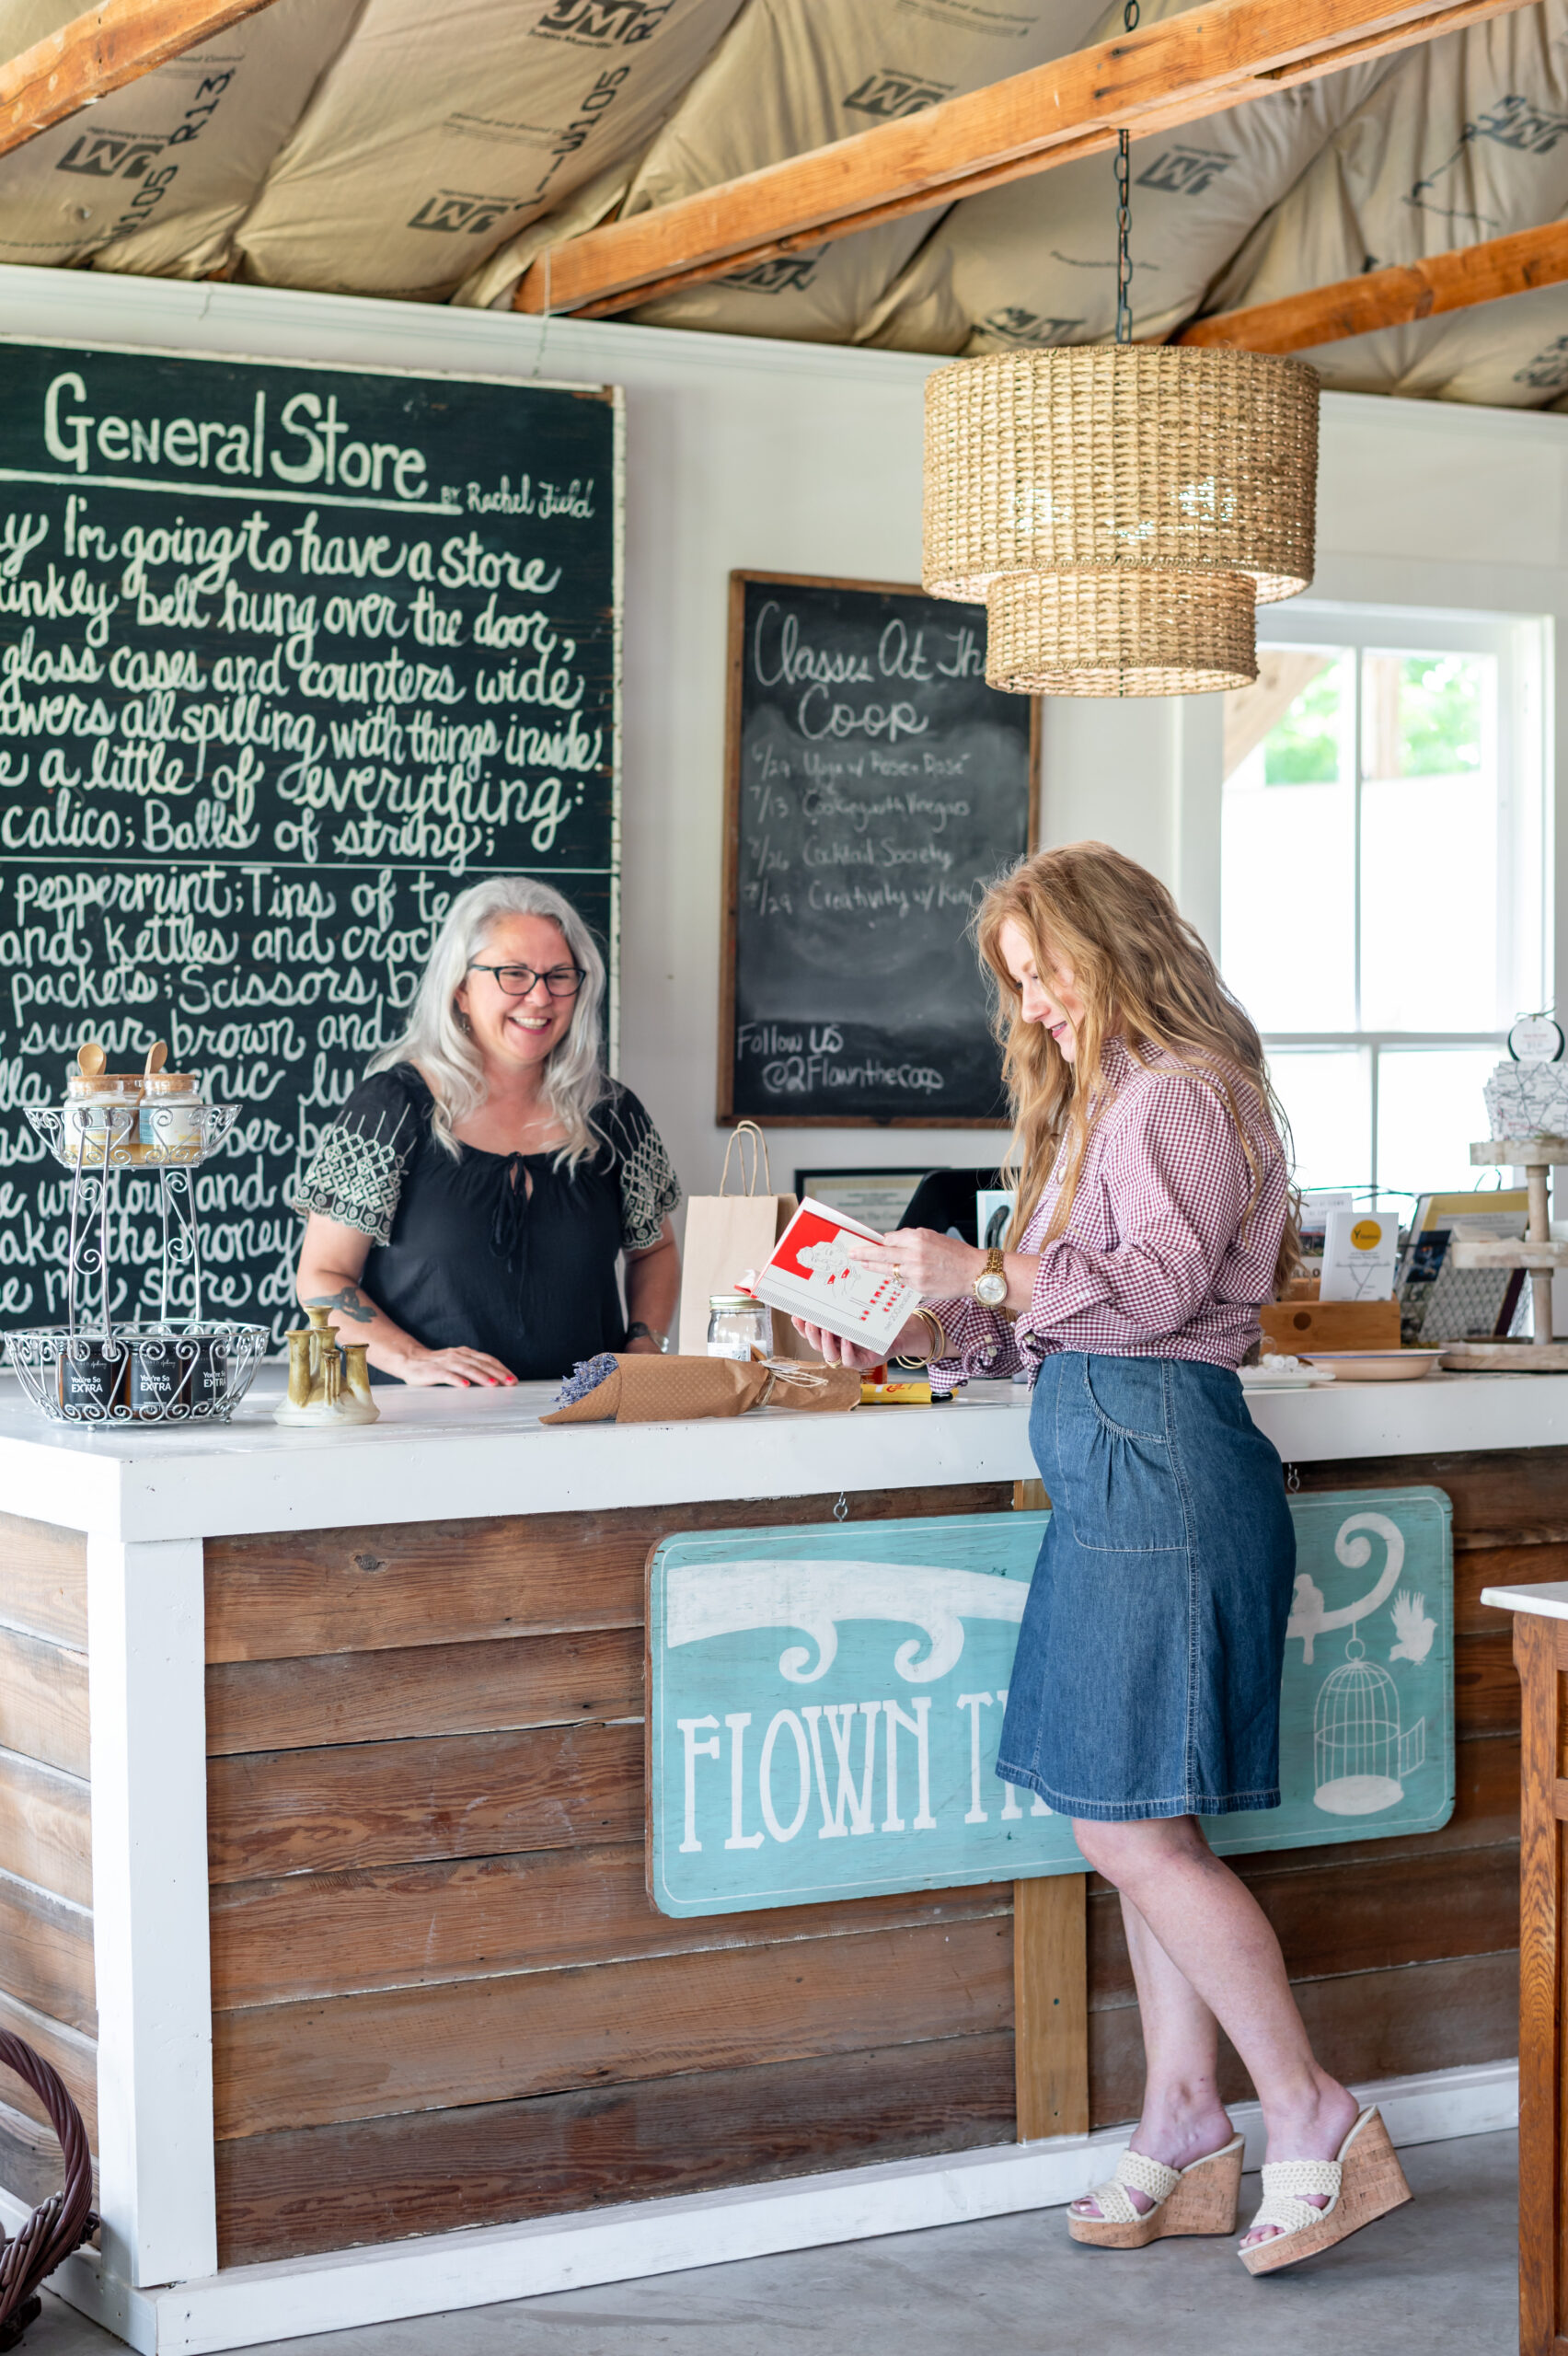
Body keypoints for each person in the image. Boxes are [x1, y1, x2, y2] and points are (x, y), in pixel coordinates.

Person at [795, 841, 1412, 2275]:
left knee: (1127, 1829)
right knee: (1136, 1816)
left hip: (1168, 1458)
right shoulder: (1102, 1106)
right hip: (1111, 1459)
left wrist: (979, 1268)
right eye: (1019, 987)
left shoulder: (1186, 1092)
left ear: (1120, 946)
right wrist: (909, 1314)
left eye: (1049, 976)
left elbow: (1150, 1296)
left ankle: (1311, 2108)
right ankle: (1188, 2121)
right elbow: (1041, 1328)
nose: (1039, 1010)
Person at [293, 876, 681, 1386]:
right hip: (422, 1434)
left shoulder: (612, 1114)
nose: (540, 997)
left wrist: (644, 1339)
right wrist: (411, 1358)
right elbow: (322, 1278)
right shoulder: (391, 1108)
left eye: (559, 975)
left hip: (586, 1423)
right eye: (513, 974)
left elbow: (654, 1250)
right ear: (460, 988)